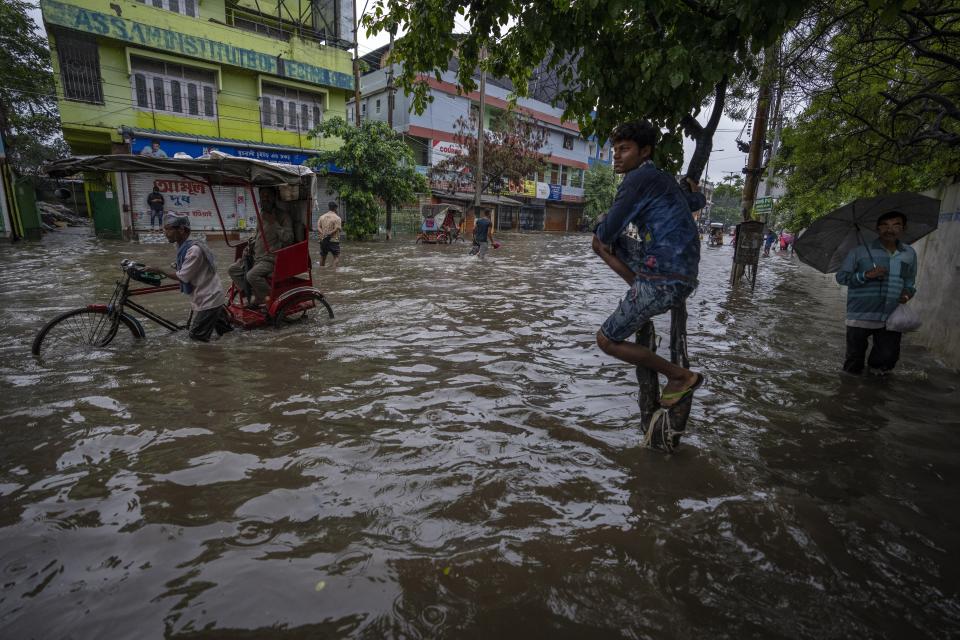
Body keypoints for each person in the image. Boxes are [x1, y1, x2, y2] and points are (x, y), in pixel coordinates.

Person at [592, 120, 704, 407]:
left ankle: (678, 376)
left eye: (624, 149)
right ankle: (640, 289)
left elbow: (607, 233)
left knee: (606, 340)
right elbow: (695, 200)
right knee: (611, 241)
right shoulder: (661, 178)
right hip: (683, 269)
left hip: (665, 277)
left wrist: (602, 225)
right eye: (615, 149)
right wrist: (692, 187)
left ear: (645, 152)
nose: (616, 155)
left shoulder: (635, 181)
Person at [835, 210, 917, 375]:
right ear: (877, 229)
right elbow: (841, 277)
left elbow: (910, 280)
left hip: (891, 315)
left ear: (903, 228)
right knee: (853, 363)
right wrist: (866, 275)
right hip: (860, 314)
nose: (890, 229)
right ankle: (850, 394)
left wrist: (907, 294)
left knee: (886, 361)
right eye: (885, 225)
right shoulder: (858, 251)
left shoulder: (909, 253)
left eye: (896, 225)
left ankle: (874, 393)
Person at [145, 213, 232, 342]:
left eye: (168, 229)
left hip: (209, 299)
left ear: (180, 230)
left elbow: (183, 277)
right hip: (209, 295)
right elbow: (187, 267)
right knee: (225, 334)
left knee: (197, 338)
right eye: (165, 229)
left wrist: (160, 270)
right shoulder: (182, 246)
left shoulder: (194, 250)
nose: (165, 232)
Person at [228, 187, 293, 309]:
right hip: (256, 256)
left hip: (271, 259)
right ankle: (255, 294)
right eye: (262, 195)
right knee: (233, 270)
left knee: (251, 275)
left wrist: (275, 223)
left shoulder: (283, 216)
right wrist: (249, 246)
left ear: (274, 197)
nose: (265, 198)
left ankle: (271, 299)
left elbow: (289, 239)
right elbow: (257, 234)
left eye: (268, 195)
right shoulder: (261, 215)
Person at [317, 201, 342, 267]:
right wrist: (330, 233)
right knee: (336, 257)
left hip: (323, 240)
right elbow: (337, 228)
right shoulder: (337, 218)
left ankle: (321, 271)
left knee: (323, 257)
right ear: (335, 208)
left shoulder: (322, 217)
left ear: (329, 207)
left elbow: (318, 227)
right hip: (333, 240)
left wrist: (323, 233)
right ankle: (334, 272)